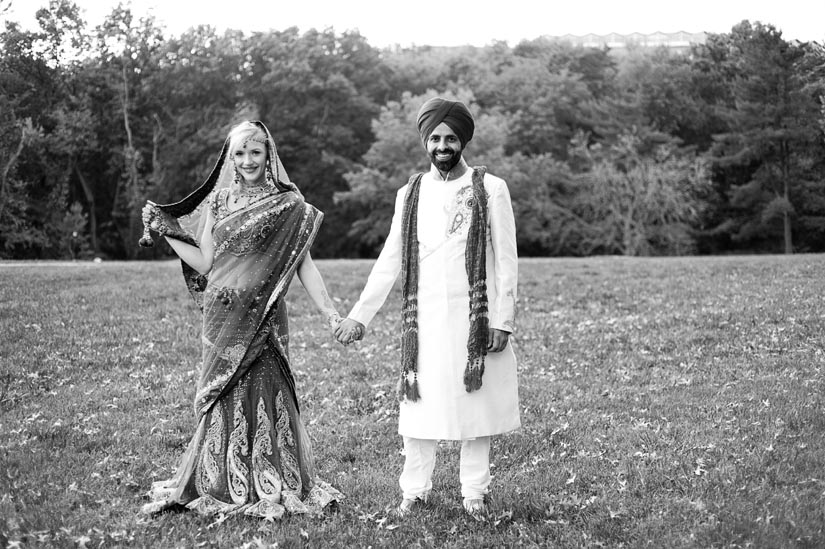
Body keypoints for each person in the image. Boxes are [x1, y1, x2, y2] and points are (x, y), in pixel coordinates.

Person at [139, 120, 343, 519]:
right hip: (220, 315)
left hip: (263, 316)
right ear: (229, 159)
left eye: (255, 152)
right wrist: (169, 232)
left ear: (269, 155)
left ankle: (268, 476)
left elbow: (306, 269)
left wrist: (331, 314)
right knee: (222, 394)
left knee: (264, 390)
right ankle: (215, 476)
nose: (248, 160)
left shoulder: (288, 206)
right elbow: (205, 262)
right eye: (239, 153)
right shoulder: (218, 203)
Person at [335, 98, 520, 519]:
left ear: (463, 141)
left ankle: (474, 492)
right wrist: (359, 315)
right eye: (435, 138)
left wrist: (502, 320)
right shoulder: (410, 193)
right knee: (419, 408)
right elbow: (390, 259)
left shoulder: (491, 188)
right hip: (426, 323)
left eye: (450, 138)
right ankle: (414, 490)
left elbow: (506, 260)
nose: (442, 145)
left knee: (476, 405)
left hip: (477, 319)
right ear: (425, 142)